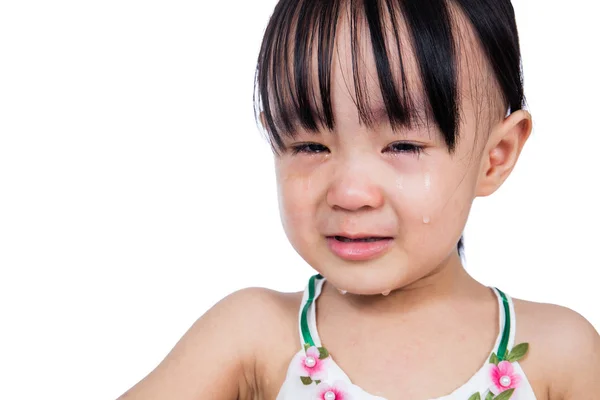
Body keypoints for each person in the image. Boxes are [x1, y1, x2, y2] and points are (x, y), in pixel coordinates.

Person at [118, 0, 600, 399]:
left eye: (404, 146)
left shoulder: (557, 354)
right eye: (309, 146)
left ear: (495, 156)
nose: (349, 193)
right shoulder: (253, 337)